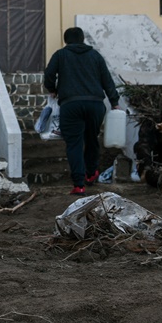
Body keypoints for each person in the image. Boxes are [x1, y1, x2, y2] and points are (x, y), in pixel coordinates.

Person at [43, 27, 119, 196]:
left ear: (66, 40)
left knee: (74, 143)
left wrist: (52, 89)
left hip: (71, 105)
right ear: (82, 39)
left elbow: (49, 74)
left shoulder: (60, 55)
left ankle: (79, 185)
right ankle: (91, 174)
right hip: (95, 105)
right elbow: (107, 80)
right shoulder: (95, 56)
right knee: (92, 139)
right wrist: (114, 102)